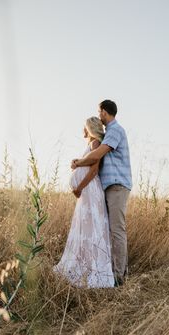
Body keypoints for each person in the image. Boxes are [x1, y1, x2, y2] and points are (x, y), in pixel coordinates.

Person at [72, 100, 132, 286]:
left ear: (105, 112)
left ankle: (118, 277)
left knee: (117, 230)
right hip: (109, 187)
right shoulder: (108, 133)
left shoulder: (115, 131)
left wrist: (78, 162)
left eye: (100, 113)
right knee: (111, 230)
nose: (99, 116)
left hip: (117, 186)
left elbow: (98, 155)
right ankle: (116, 270)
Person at [53, 117, 115, 288]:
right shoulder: (92, 144)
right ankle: (84, 264)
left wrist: (79, 187)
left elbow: (94, 170)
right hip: (87, 193)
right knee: (86, 228)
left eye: (84, 127)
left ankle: (91, 268)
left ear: (89, 128)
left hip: (89, 191)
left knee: (91, 229)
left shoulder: (95, 143)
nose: (82, 129)